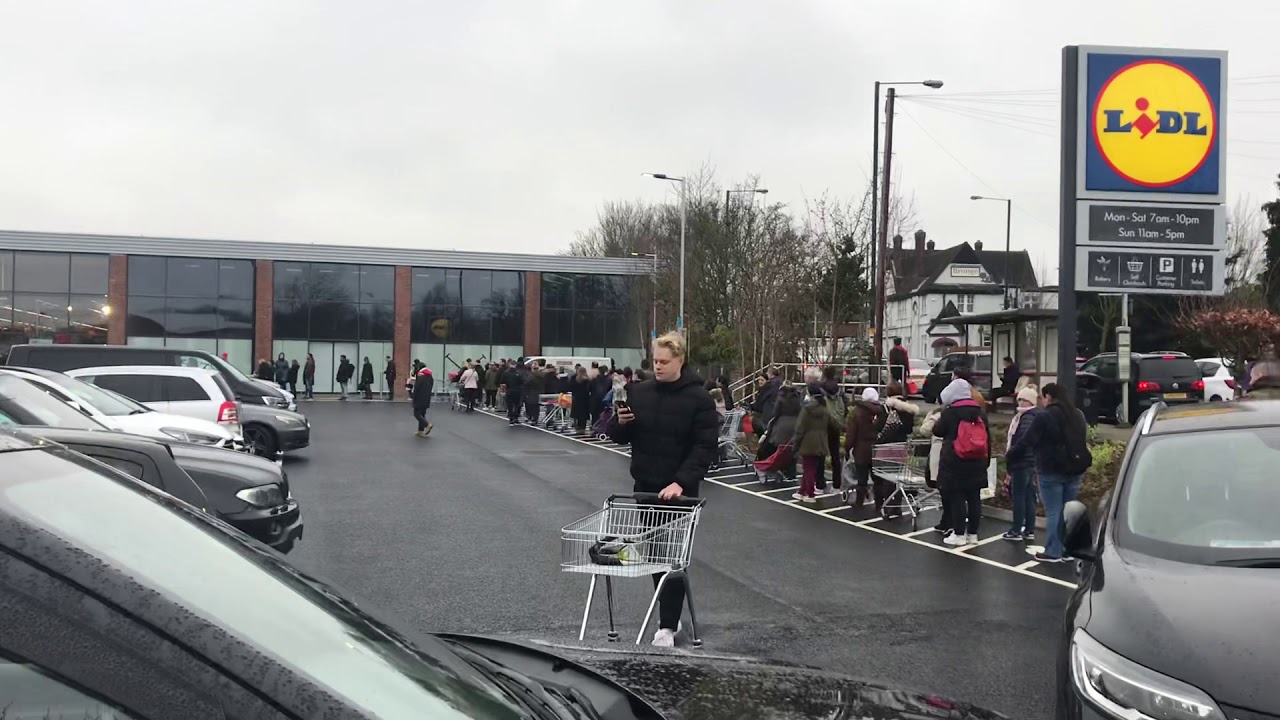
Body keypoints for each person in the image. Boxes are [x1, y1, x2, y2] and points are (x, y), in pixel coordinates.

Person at [607, 331, 718, 647]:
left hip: (681, 493)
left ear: (680, 360)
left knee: (673, 559)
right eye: (655, 360)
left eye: (664, 362)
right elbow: (616, 435)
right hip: (645, 488)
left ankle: (667, 625)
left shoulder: (699, 399)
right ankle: (669, 617)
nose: (657, 366)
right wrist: (622, 422)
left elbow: (705, 446)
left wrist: (681, 481)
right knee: (656, 556)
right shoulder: (638, 392)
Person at [1006, 383, 1089, 562]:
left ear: (1048, 397)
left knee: (1053, 511)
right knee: (1068, 511)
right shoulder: (1078, 415)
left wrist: (1011, 455)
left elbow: (1027, 441)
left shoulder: (1044, 417)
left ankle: (1053, 551)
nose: (1042, 402)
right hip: (1075, 468)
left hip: (1050, 470)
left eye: (1042, 398)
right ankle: (1067, 550)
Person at [933, 377, 991, 547]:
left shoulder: (950, 412)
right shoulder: (980, 412)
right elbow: (988, 437)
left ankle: (958, 534)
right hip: (978, 460)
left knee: (957, 497)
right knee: (974, 498)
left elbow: (938, 431)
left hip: (956, 461)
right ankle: (972, 534)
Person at [1002, 384, 1042, 542]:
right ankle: (1029, 529)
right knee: (1029, 496)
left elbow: (1022, 441)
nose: (1020, 403)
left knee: (1019, 496)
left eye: (1023, 400)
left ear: (1030, 402)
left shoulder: (1027, 419)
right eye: (1019, 400)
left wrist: (1011, 454)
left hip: (1021, 461)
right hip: (1029, 462)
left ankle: (1016, 529)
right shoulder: (1031, 417)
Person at [793, 385, 840, 503]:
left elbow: (800, 428)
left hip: (808, 441)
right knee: (810, 467)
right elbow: (834, 424)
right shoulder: (824, 409)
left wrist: (795, 444)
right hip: (821, 442)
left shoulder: (807, 409)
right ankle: (802, 492)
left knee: (808, 468)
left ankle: (810, 494)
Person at [844, 387, 883, 507]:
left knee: (862, 477)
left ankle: (859, 502)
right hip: (877, 449)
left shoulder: (857, 412)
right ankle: (879, 503)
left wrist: (847, 448)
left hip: (861, 449)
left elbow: (851, 433)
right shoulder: (881, 411)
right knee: (877, 478)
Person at [756, 386, 800, 481]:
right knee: (790, 449)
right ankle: (791, 473)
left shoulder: (781, 398)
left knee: (775, 448)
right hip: (795, 425)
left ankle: (772, 468)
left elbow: (776, 412)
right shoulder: (797, 399)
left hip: (781, 425)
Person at [819, 366, 845, 492]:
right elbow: (844, 405)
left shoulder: (821, 388)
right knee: (835, 455)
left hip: (824, 424)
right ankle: (837, 484)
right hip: (836, 424)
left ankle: (820, 484)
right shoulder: (839, 389)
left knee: (821, 455)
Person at [500, 359, 524, 425]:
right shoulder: (518, 373)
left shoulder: (505, 372)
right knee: (517, 405)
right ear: (515, 365)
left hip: (509, 390)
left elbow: (502, 382)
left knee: (510, 405)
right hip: (517, 391)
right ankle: (516, 417)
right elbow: (522, 382)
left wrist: (503, 391)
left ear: (510, 364)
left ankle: (511, 418)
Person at [412, 367, 434, 437]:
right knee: (422, 414)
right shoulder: (431, 378)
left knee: (417, 414)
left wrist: (413, 398)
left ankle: (427, 425)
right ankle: (420, 431)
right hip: (427, 399)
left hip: (419, 399)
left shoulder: (420, 378)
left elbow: (416, 389)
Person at [570, 366, 591, 435]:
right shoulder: (587, 380)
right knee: (583, 415)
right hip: (585, 399)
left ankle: (577, 428)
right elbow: (589, 389)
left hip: (576, 398)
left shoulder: (574, 378)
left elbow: (570, 387)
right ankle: (582, 428)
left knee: (577, 414)